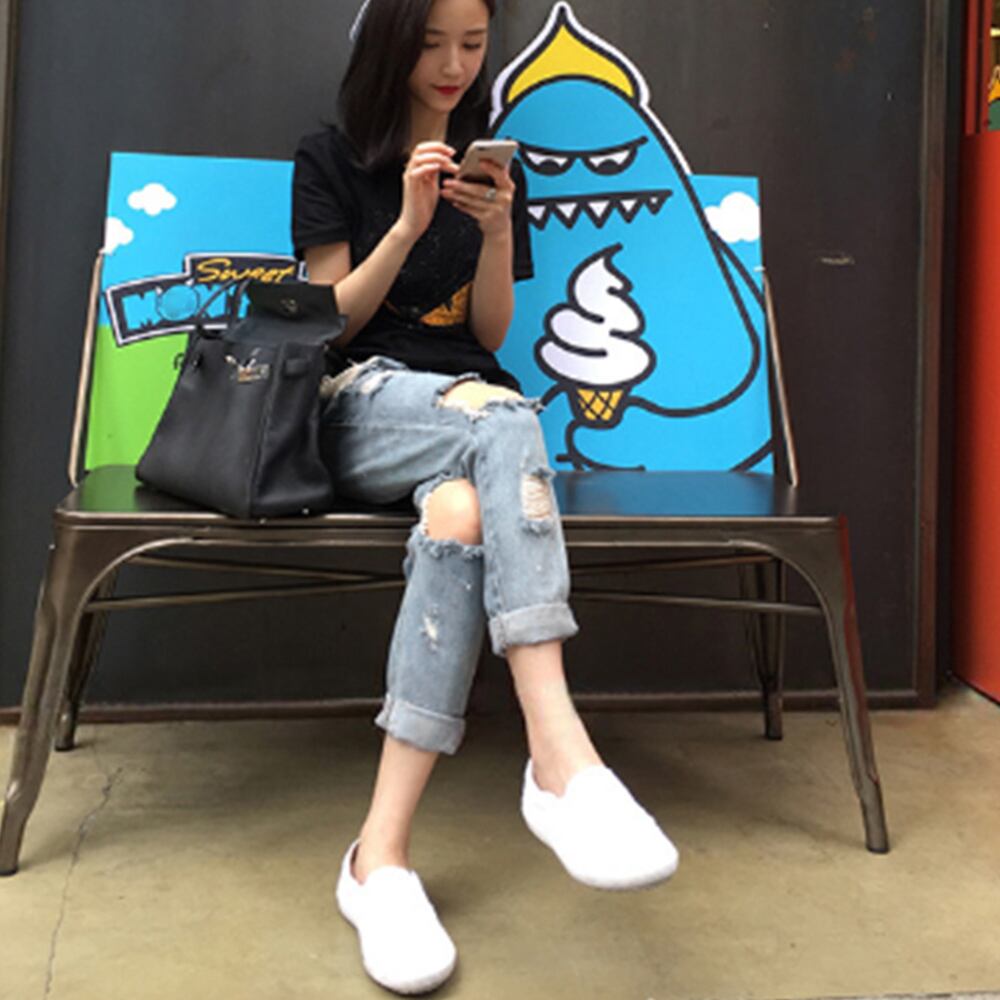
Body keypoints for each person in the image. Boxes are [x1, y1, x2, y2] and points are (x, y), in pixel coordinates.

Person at [292, 0, 678, 992]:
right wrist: (407, 226)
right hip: (359, 404)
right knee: (507, 418)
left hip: (463, 418)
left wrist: (497, 231)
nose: (455, 63)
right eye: (432, 42)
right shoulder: (329, 159)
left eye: (472, 43)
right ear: (389, 45)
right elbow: (327, 325)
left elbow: (491, 335)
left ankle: (378, 859)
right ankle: (558, 755)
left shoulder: (496, 168)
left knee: (463, 510)